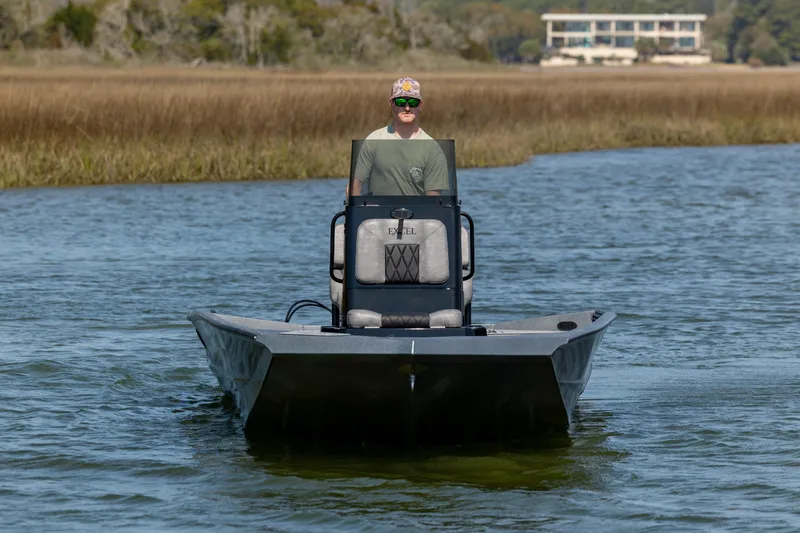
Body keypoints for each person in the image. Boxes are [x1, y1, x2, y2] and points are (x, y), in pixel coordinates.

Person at [349, 77, 450, 196]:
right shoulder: (374, 140)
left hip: (419, 215)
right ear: (392, 104)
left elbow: (434, 202)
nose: (407, 108)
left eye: (413, 103)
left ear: (420, 105)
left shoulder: (433, 149)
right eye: (400, 102)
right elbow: (354, 188)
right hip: (376, 214)